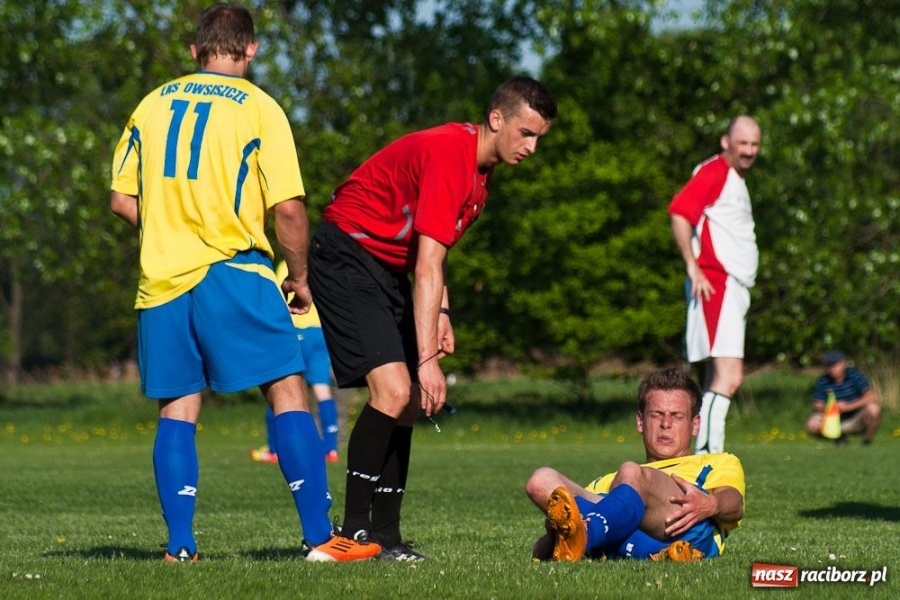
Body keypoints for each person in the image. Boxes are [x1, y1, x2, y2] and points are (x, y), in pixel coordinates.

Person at [108, 3, 379, 563]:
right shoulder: (259, 107)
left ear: (194, 51)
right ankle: (319, 538)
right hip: (234, 272)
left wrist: (168, 233)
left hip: (162, 278)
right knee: (289, 392)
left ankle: (179, 546)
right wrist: (300, 277)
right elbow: (288, 210)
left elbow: (120, 199)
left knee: (178, 409)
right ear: (251, 49)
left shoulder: (151, 104)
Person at [308, 77, 557, 561]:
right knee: (398, 390)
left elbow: (432, 254)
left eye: (539, 138)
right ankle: (349, 536)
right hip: (344, 253)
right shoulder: (452, 156)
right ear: (497, 118)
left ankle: (388, 539)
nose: (531, 147)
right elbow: (425, 266)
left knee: (408, 403)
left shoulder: (480, 180)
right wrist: (426, 360)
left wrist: (441, 311)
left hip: (382, 268)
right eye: (526, 133)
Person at [526, 368, 745, 562]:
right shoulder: (608, 481)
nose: (665, 424)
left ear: (695, 424)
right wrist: (556, 533)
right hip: (661, 539)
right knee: (541, 480)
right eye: (656, 414)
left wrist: (712, 504)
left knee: (631, 473)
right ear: (640, 421)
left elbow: (735, 504)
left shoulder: (718, 461)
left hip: (687, 527)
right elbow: (540, 550)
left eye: (677, 416)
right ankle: (659, 553)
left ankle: (589, 533)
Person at [668, 116, 763, 455]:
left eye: (754, 144)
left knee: (714, 378)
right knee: (729, 375)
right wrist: (693, 267)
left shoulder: (734, 178)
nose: (749, 151)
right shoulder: (715, 172)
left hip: (730, 286)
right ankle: (708, 455)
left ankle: (703, 456)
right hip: (716, 285)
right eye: (743, 143)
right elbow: (679, 213)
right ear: (726, 142)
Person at [251, 261, 341, 464]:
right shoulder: (324, 266)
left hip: (298, 329)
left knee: (280, 387)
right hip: (320, 332)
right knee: (322, 389)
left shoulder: (288, 265)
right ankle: (330, 448)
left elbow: (277, 299)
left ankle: (275, 449)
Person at [805, 350, 881, 446]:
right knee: (811, 425)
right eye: (829, 366)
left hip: (855, 417)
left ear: (843, 364)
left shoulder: (854, 377)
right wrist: (833, 408)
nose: (833, 369)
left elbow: (872, 397)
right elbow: (817, 404)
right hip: (833, 419)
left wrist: (849, 406)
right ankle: (838, 438)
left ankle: (867, 441)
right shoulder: (823, 381)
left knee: (874, 409)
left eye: (836, 365)